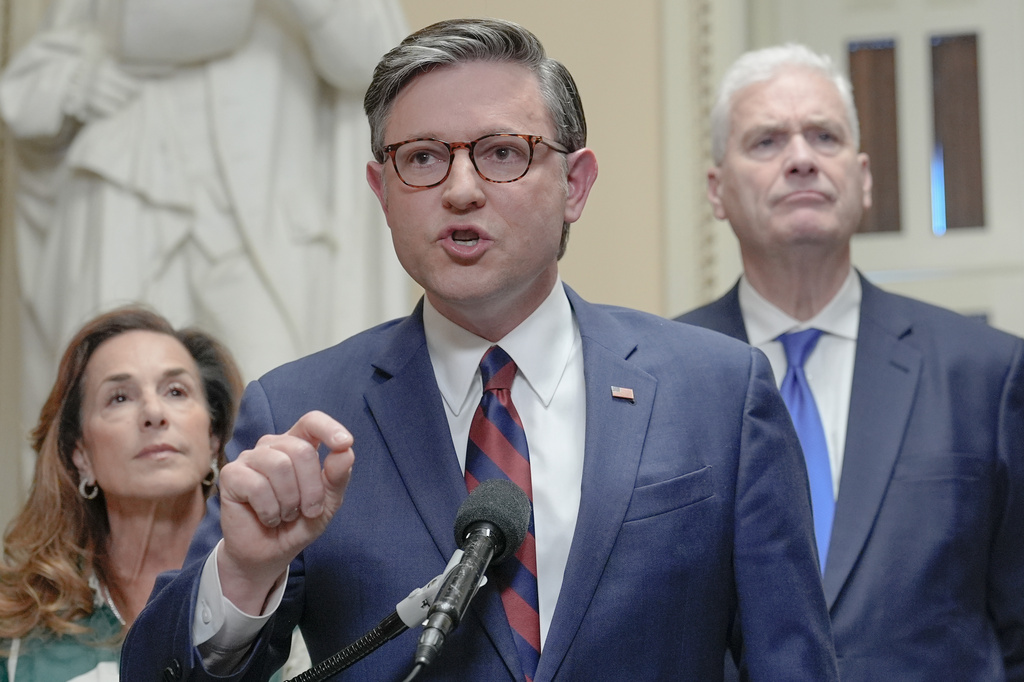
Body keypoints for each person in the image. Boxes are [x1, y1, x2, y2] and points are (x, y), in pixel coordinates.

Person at [120, 19, 839, 681]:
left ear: (575, 185)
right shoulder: (304, 413)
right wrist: (243, 574)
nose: (461, 190)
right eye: (423, 158)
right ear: (383, 191)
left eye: (502, 153)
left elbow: (792, 663)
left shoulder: (717, 392)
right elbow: (157, 671)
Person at [676, 43, 1024, 680]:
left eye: (824, 136)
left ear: (863, 180)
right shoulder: (660, 382)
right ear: (717, 189)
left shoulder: (986, 373)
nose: (802, 159)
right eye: (766, 142)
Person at [0, 0, 409, 491]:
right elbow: (35, 84)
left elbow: (376, 66)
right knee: (115, 401)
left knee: (283, 410)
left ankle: (284, 563)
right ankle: (94, 563)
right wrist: (76, 81)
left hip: (261, 222)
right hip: (129, 189)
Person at [0, 307, 243, 681]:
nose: (153, 412)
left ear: (213, 439)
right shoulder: (15, 625)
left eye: (176, 391)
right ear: (82, 456)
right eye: (119, 398)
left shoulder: (274, 590)